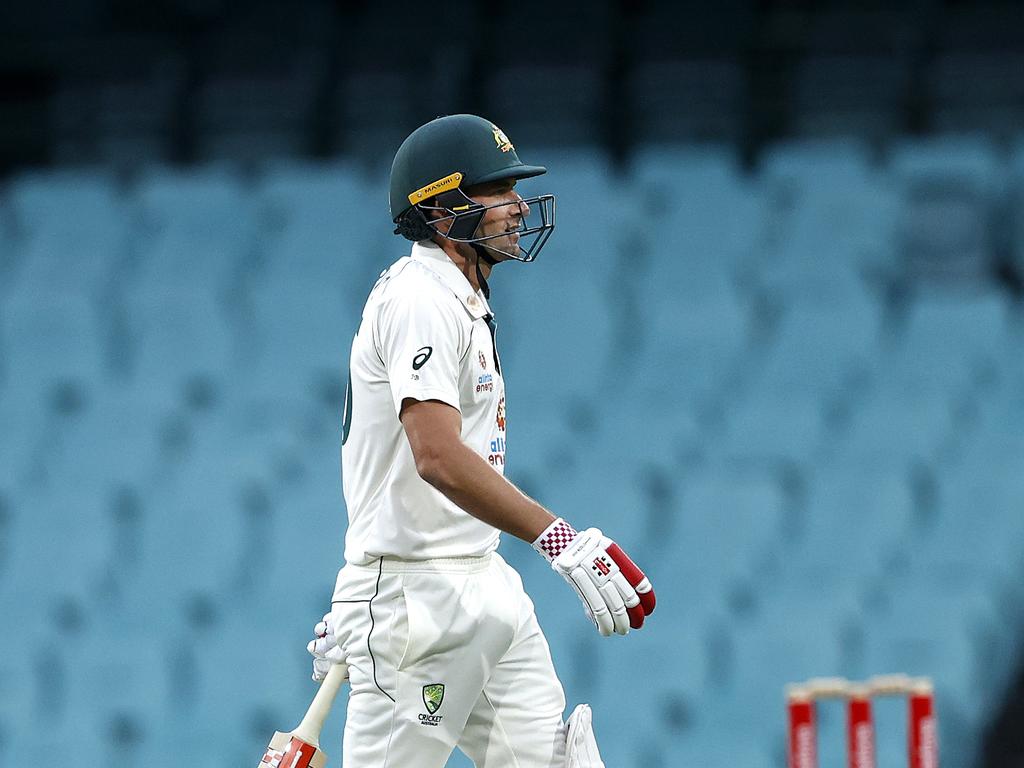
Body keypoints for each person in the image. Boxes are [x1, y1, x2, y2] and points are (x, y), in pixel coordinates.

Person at [306, 114, 656, 768]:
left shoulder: (460, 296)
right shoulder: (421, 297)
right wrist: (559, 538)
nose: (519, 205)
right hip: (416, 605)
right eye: (497, 190)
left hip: (480, 584)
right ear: (441, 211)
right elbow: (434, 456)